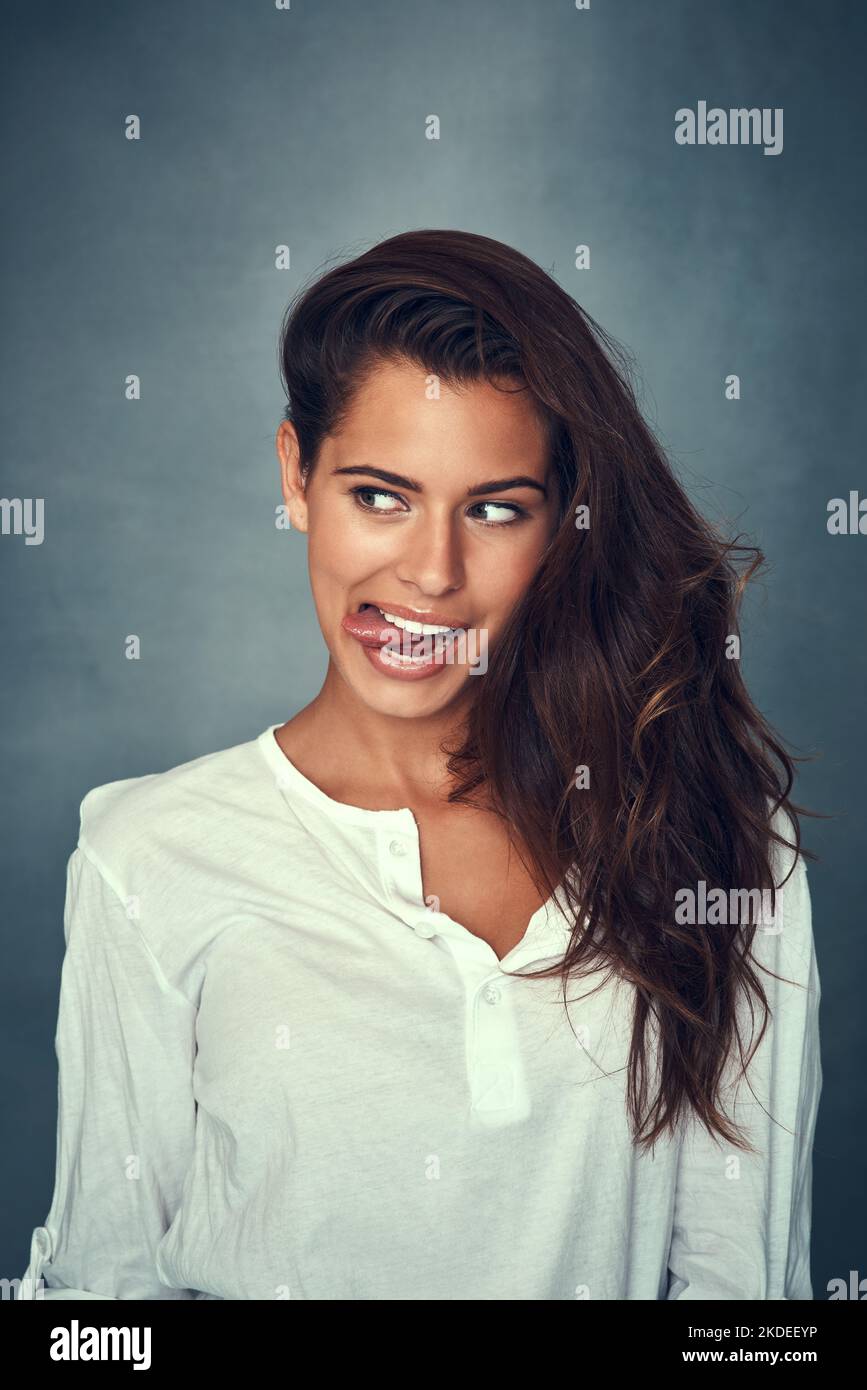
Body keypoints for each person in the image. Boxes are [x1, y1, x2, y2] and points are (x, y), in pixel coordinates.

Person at [18, 229, 822, 1301]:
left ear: (561, 530)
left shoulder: (715, 829)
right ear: (297, 479)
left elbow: (747, 1301)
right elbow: (100, 1305)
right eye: (380, 495)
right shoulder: (148, 858)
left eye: (494, 509)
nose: (431, 573)